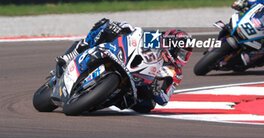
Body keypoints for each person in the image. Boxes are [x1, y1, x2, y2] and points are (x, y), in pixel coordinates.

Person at [55, 18, 193, 111]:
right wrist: (120, 28)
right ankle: (71, 56)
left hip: (139, 86)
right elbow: (135, 33)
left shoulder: (175, 73)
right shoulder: (156, 40)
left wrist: (157, 91)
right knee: (105, 24)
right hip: (123, 58)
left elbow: (164, 100)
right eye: (181, 52)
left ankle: (103, 98)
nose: (182, 57)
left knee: (148, 105)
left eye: (185, 54)